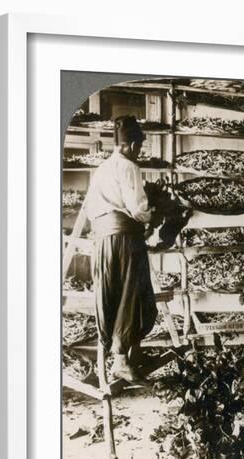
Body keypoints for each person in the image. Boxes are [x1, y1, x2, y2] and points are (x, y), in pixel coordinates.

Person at [85, 115, 158, 383]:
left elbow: (94, 209)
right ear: (129, 145)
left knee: (111, 293)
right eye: (138, 147)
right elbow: (138, 209)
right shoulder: (128, 167)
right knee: (131, 294)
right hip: (124, 238)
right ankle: (120, 359)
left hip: (103, 240)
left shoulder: (102, 168)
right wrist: (152, 213)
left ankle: (122, 354)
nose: (139, 152)